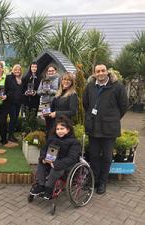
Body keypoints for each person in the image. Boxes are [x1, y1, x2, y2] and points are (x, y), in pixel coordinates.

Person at [83, 64, 128, 194]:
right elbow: (86, 104)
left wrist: (113, 118)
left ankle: (102, 182)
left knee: (107, 157)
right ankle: (94, 180)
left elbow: (123, 106)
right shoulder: (90, 86)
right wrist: (90, 117)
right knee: (94, 156)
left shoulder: (117, 86)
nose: (101, 73)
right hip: (93, 127)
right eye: (98, 71)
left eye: (103, 70)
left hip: (109, 128)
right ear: (94, 73)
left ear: (107, 71)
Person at [29, 115, 80, 199]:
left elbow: (72, 158)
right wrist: (43, 158)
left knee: (56, 168)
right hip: (52, 160)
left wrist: (56, 164)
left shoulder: (74, 142)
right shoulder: (52, 138)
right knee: (41, 163)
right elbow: (44, 149)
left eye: (62, 129)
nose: (60, 131)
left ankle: (49, 188)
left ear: (68, 130)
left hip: (65, 165)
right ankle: (41, 185)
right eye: (58, 129)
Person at [4, 64, 23, 142]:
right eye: (16, 69)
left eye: (19, 70)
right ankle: (10, 136)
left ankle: (11, 135)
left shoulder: (21, 79)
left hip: (18, 102)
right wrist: (7, 96)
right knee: (13, 118)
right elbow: (6, 89)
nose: (17, 71)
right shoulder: (9, 77)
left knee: (15, 119)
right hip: (10, 102)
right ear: (13, 70)